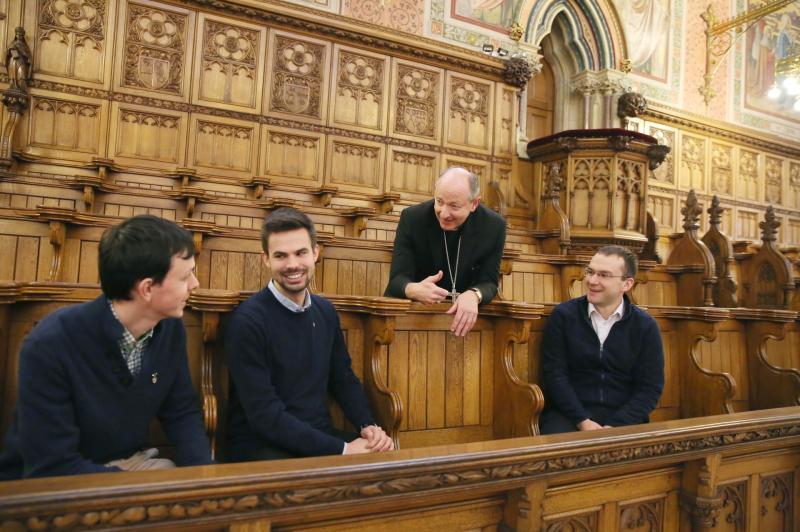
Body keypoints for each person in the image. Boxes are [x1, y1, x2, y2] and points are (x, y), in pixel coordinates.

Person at [0, 215, 212, 479]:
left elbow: (181, 411)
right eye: (185, 276)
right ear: (147, 288)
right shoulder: (49, 344)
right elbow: (51, 465)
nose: (195, 284)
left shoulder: (169, 328)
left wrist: (203, 476)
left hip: (129, 462)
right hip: (49, 481)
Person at [225, 207, 394, 460]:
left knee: (387, 458)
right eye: (281, 255)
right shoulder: (247, 321)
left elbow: (342, 377)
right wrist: (343, 449)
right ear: (266, 259)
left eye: (300, 253)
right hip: (261, 446)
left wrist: (367, 426)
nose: (292, 264)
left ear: (315, 253)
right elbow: (265, 416)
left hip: (318, 436)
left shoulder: (325, 311)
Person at [540, 245, 664, 435]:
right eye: (590, 272)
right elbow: (554, 375)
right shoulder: (564, 316)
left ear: (627, 284)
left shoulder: (645, 326)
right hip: (568, 415)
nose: (592, 281)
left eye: (604, 275)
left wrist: (615, 427)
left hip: (625, 418)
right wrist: (583, 421)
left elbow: (650, 388)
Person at [384, 167, 506, 337]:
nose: (444, 213)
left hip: (463, 328)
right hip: (411, 321)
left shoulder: (493, 226)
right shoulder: (413, 218)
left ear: (474, 204)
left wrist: (474, 295)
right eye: (439, 202)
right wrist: (413, 289)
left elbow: (489, 282)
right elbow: (397, 280)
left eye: (454, 206)